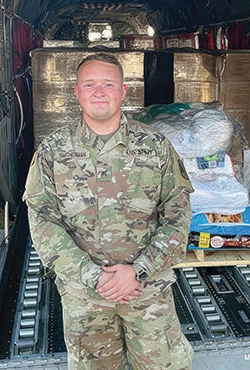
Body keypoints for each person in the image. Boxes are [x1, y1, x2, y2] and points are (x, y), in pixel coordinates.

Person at [23, 52, 194, 369]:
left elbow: (177, 219)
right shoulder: (52, 151)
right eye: (89, 84)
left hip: (147, 293)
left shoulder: (156, 147)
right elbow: (44, 225)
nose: (98, 92)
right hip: (85, 297)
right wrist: (94, 277)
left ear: (123, 91)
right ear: (76, 91)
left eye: (108, 84)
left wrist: (138, 271)